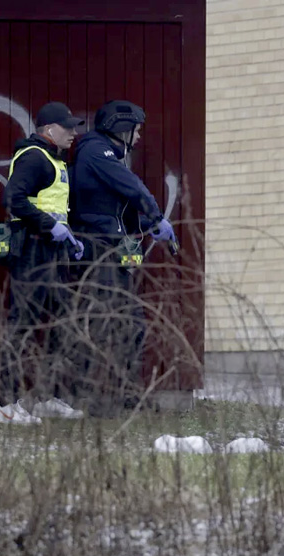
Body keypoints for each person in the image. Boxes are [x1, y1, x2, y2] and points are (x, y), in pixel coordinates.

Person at [69, 100, 176, 416]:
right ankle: (94, 398)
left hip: (111, 248)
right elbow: (132, 188)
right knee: (107, 324)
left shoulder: (106, 157)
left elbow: (113, 211)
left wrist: (147, 227)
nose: (139, 137)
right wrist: (156, 216)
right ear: (121, 128)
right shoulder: (95, 152)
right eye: (136, 130)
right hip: (98, 251)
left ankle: (127, 394)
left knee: (130, 324)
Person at [0, 102, 87, 424]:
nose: (74, 133)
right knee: (21, 327)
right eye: (68, 127)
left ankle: (49, 397)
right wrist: (51, 227)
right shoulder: (35, 157)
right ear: (50, 129)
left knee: (62, 324)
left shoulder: (53, 159)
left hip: (52, 252)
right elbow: (12, 199)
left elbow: (52, 207)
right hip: (33, 253)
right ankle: (6, 407)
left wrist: (69, 238)